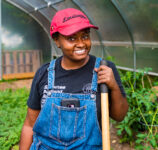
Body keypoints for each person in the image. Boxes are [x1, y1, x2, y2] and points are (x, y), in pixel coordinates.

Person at [19, 8, 128, 150]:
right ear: (57, 40)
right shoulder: (44, 73)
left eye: (85, 36)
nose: (81, 43)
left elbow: (119, 116)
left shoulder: (104, 69)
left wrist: (113, 86)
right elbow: (29, 125)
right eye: (71, 38)